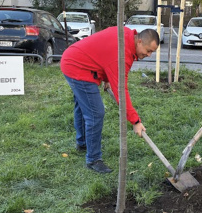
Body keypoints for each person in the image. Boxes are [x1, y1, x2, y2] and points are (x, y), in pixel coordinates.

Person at [61, 27, 159, 173]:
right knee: (95, 113)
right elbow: (121, 91)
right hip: (78, 67)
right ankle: (93, 159)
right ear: (139, 41)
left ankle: (82, 143)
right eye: (148, 50)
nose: (149, 55)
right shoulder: (122, 54)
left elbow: (103, 52)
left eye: (152, 52)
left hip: (73, 57)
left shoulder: (126, 35)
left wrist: (106, 77)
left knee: (83, 106)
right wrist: (135, 121)